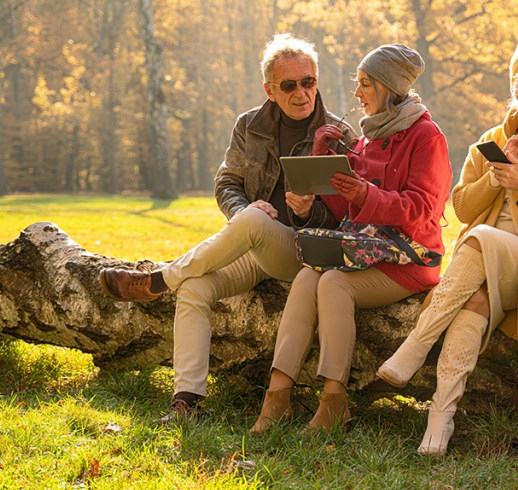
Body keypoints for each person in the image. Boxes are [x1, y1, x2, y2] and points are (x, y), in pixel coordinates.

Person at [97, 34, 356, 422]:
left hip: (302, 254)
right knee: (195, 288)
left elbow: (347, 218)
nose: (302, 92)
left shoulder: (339, 135)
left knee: (249, 222)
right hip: (253, 244)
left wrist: (306, 213)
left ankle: (158, 280)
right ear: (270, 90)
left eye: (309, 81)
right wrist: (240, 210)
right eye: (289, 85)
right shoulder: (249, 125)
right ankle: (187, 402)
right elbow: (227, 183)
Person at [377, 40, 518, 456]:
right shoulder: (491, 138)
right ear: (516, 84)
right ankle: (439, 420)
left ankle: (414, 348)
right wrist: (496, 171)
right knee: (476, 303)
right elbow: (464, 205)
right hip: (488, 264)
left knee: (480, 238)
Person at [248, 44, 451, 435]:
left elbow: (423, 208)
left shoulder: (427, 136)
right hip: (365, 250)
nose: (357, 94)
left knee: (334, 282)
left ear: (388, 87)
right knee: (309, 275)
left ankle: (334, 400)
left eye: (365, 85)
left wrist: (365, 195)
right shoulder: (371, 134)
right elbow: (346, 209)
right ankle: (277, 395)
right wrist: (322, 162)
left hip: (409, 258)